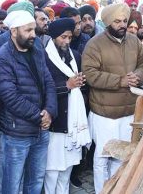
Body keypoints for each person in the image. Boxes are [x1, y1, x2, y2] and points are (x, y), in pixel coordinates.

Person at [82, 3, 143, 193]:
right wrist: (119, 81)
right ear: (107, 23)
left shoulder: (134, 41)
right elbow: (89, 74)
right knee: (102, 158)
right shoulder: (95, 44)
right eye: (117, 21)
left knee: (122, 158)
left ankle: (118, 190)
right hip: (105, 114)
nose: (122, 25)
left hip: (129, 112)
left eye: (124, 21)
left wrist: (139, 75)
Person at [0, 10, 57, 194]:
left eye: (33, 30)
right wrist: (40, 116)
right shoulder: (2, 57)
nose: (33, 35)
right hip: (16, 133)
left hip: (41, 129)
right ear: (14, 31)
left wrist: (50, 111)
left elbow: (49, 81)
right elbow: (10, 97)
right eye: (28, 30)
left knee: (35, 181)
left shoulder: (37, 48)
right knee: (12, 186)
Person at [44, 18, 91, 194]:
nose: (66, 41)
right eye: (63, 37)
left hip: (73, 123)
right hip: (55, 124)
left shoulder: (75, 56)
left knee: (66, 172)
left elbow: (82, 88)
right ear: (54, 36)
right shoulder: (43, 56)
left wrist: (80, 84)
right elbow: (42, 91)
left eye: (70, 37)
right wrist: (67, 86)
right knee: (52, 173)